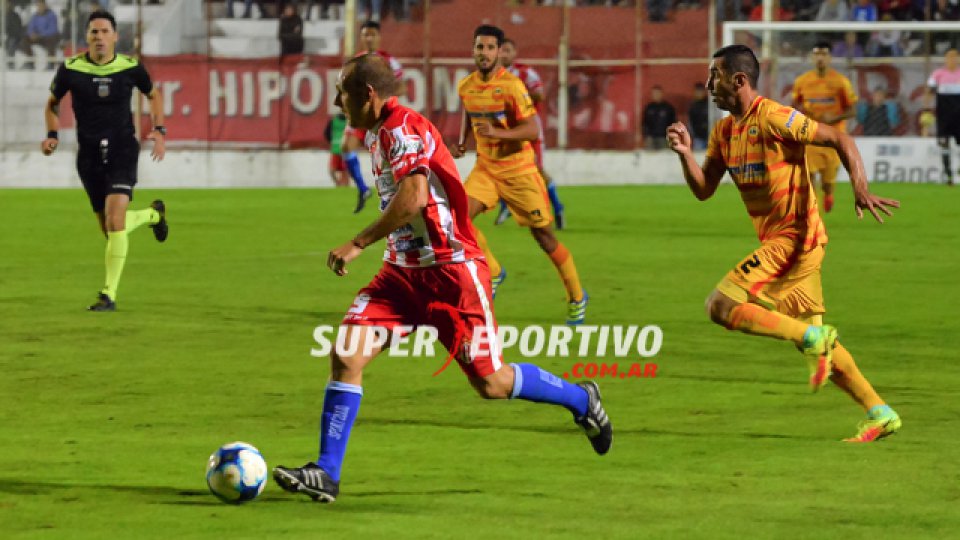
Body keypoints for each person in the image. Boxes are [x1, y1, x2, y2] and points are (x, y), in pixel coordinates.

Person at [271, 54, 612, 503]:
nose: (337, 100)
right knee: (347, 353)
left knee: (491, 383)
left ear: (367, 95)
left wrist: (357, 242)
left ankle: (581, 400)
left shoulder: (400, 128)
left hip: (452, 275)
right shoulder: (379, 132)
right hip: (401, 275)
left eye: (342, 91)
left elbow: (412, 198)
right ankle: (326, 472)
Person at [666, 44, 902, 442]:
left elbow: (839, 139)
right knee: (813, 341)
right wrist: (685, 154)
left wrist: (860, 188)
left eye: (714, 75)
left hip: (796, 239)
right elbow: (704, 189)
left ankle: (812, 339)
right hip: (783, 241)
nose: (707, 84)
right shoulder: (725, 131)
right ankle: (880, 412)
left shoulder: (775, 117)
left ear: (738, 81)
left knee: (720, 306)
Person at [451, 25, 588, 325]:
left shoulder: (512, 86)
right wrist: (462, 140)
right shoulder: (466, 86)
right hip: (486, 169)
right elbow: (468, 110)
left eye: (489, 48)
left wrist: (499, 131)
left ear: (499, 52)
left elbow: (532, 129)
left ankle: (577, 295)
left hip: (519, 172)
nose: (483, 53)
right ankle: (495, 271)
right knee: (455, 219)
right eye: (479, 47)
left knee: (544, 237)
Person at [41, 11, 168, 312]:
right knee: (111, 229)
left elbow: (154, 94)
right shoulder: (71, 68)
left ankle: (108, 295)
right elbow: (52, 103)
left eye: (104, 31)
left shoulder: (131, 67)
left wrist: (159, 131)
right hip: (88, 156)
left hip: (123, 148)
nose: (99, 37)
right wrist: (51, 134)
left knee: (115, 220)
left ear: (115, 36)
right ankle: (153, 216)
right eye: (93, 32)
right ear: (86, 37)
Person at [494, 37, 566, 230]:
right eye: (502, 50)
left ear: (514, 53)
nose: (505, 54)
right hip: (507, 130)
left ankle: (558, 208)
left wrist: (517, 93)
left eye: (508, 50)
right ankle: (507, 207)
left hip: (529, 128)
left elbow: (540, 95)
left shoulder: (526, 73)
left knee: (537, 171)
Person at [339, 20, 404, 213]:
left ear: (379, 37)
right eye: (365, 35)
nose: (369, 38)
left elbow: (400, 86)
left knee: (388, 153)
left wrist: (382, 95)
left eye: (372, 34)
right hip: (361, 113)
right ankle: (362, 188)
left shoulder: (388, 61)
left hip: (380, 114)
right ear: (361, 38)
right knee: (345, 146)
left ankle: (398, 190)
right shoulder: (356, 62)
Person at [791, 42, 857, 212]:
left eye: (824, 54)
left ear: (830, 58)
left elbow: (852, 111)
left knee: (828, 182)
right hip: (811, 134)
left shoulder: (840, 82)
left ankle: (828, 194)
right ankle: (812, 213)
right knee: (808, 175)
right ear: (812, 58)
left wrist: (833, 118)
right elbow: (794, 106)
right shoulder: (802, 81)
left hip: (833, 137)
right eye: (817, 54)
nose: (820, 58)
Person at [927, 48, 960, 186]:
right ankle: (948, 176)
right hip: (944, 115)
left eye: (954, 56)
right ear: (945, 59)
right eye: (949, 56)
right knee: (944, 144)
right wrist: (926, 110)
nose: (952, 59)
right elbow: (929, 92)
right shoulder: (938, 74)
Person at [19, 0, 60, 70]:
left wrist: (40, 35)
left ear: (45, 5)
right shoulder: (35, 16)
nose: (39, 7)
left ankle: (51, 64)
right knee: (24, 41)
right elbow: (30, 28)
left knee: (51, 41)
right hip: (37, 38)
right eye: (38, 6)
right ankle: (30, 61)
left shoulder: (51, 15)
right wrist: (32, 34)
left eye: (41, 5)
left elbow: (53, 30)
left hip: (47, 37)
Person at [643, 85, 677, 150]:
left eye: (657, 93)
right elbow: (645, 122)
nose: (656, 95)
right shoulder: (649, 108)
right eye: (654, 93)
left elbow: (673, 123)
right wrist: (646, 134)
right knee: (649, 157)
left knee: (663, 156)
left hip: (663, 137)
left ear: (662, 94)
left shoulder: (668, 108)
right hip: (651, 138)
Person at [324, 112, 350, 187]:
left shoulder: (335, 121)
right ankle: (340, 184)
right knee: (335, 170)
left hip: (342, 150)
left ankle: (342, 186)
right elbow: (326, 133)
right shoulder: (335, 121)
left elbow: (326, 133)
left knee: (342, 171)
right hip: (339, 150)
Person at [688, 82, 709, 150]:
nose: (699, 93)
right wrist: (693, 135)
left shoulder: (709, 104)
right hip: (698, 137)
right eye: (697, 91)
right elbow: (690, 122)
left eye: (701, 91)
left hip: (710, 135)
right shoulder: (693, 106)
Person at [4, 3, 23, 69]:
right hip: (6, 36)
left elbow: (17, 29)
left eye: (7, 4)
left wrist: (8, 33)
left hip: (14, 36)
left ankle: (10, 63)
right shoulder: (3, 15)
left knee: (11, 43)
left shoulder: (15, 16)